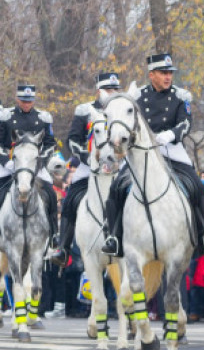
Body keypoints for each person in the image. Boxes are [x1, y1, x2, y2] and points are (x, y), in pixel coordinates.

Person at [101, 53, 204, 256]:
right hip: (141, 153)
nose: (168, 77)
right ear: (151, 75)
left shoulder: (181, 96)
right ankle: (114, 237)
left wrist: (169, 135)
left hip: (171, 150)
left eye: (170, 73)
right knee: (115, 189)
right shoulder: (137, 97)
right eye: (163, 73)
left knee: (197, 187)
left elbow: (186, 124)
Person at [52, 73, 122, 267]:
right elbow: (72, 140)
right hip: (89, 167)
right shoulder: (85, 110)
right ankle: (63, 248)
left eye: (116, 90)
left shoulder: (123, 110)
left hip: (117, 166)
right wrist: (88, 157)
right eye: (109, 90)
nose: (113, 93)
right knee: (71, 199)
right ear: (99, 91)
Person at [0, 85, 59, 250]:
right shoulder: (5, 116)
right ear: (17, 99)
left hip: (35, 163)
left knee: (51, 193)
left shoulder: (43, 118)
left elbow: (49, 144)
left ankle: (54, 234)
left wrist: (41, 161)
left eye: (30, 101)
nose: (27, 104)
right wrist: (6, 161)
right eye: (24, 101)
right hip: (10, 163)